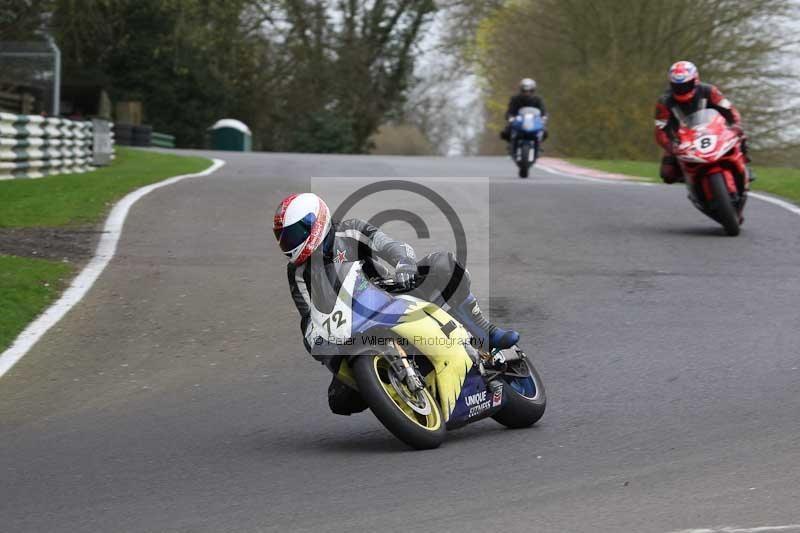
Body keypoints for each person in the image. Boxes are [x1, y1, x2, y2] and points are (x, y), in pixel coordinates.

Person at [274, 193, 520, 414]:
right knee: (339, 401)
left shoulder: (350, 231)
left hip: (391, 295)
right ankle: (398, 391)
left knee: (442, 264)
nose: (290, 244)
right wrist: (315, 341)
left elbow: (389, 245)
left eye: (294, 234)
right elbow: (309, 317)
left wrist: (403, 263)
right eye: (284, 239)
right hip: (351, 329)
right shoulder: (296, 273)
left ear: (315, 222)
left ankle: (484, 331)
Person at [655, 60, 753, 184]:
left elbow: (728, 109)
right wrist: (670, 145)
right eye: (677, 86)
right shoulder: (664, 101)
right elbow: (660, 128)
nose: (682, 89)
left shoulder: (709, 90)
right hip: (682, 139)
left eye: (686, 85)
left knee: (740, 136)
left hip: (713, 130)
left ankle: (745, 166)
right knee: (667, 174)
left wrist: (736, 125)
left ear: (695, 80)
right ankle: (693, 183)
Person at [500, 78, 548, 142]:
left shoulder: (538, 99)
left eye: (529, 91)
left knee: (545, 132)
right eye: (524, 91)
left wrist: (544, 117)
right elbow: (510, 110)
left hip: (533, 122)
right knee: (505, 132)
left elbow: (543, 110)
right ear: (521, 90)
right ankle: (512, 145)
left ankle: (538, 146)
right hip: (519, 122)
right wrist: (510, 117)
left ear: (533, 90)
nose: (527, 93)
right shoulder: (515, 99)